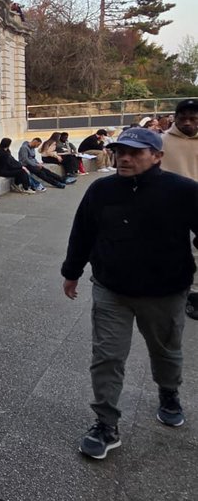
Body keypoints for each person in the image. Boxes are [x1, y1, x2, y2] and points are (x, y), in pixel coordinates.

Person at [61, 127, 198, 459]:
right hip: (112, 289)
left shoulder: (183, 191)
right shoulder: (101, 190)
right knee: (107, 356)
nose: (124, 157)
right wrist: (72, 272)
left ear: (157, 156)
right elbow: (83, 232)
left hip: (164, 292)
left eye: (136, 152)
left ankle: (168, 393)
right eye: (121, 150)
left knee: (165, 352)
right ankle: (106, 424)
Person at [161, 97, 198, 319]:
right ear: (175, 119)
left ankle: (194, 293)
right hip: (171, 202)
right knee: (172, 247)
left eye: (193, 119)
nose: (188, 123)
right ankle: (173, 288)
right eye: (182, 118)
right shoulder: (162, 141)